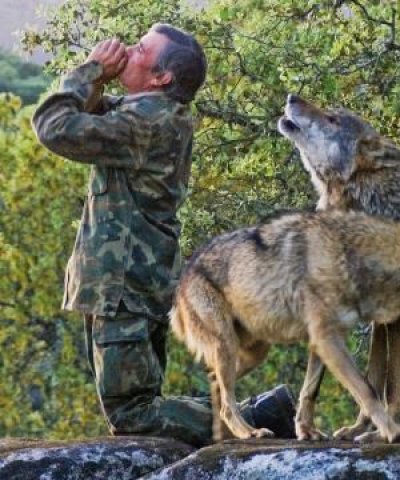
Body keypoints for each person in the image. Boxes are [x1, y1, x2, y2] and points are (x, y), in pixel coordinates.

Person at [32, 24, 295, 446]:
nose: (128, 51)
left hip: (123, 286)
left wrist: (89, 72)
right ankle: (259, 411)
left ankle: (256, 416)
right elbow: (97, 114)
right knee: (141, 401)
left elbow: (53, 126)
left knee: (133, 412)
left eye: (139, 50)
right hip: (132, 283)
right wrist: (98, 83)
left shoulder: (146, 124)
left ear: (161, 78)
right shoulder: (153, 117)